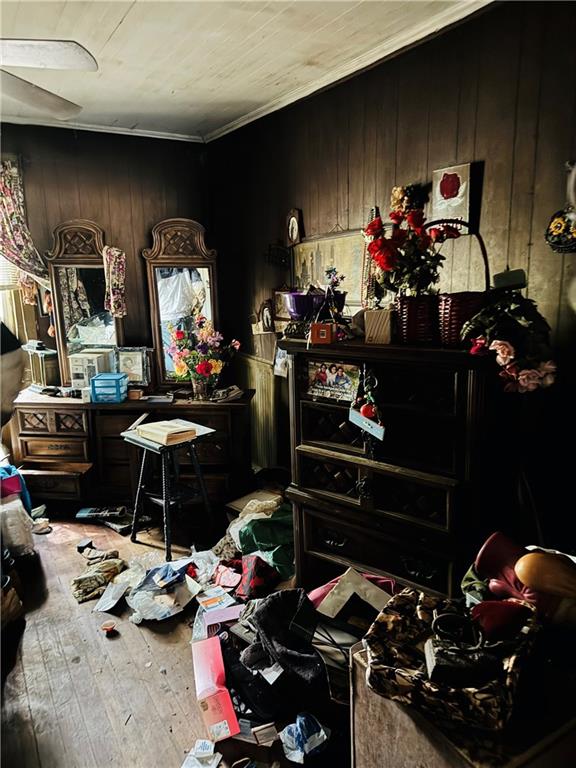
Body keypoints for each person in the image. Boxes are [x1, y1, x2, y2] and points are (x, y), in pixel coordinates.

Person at [157, 268, 206, 372]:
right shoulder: (187, 265)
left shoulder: (155, 266)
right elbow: (200, 291)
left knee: (171, 360)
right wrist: (195, 310)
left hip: (163, 317)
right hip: (184, 314)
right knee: (188, 357)